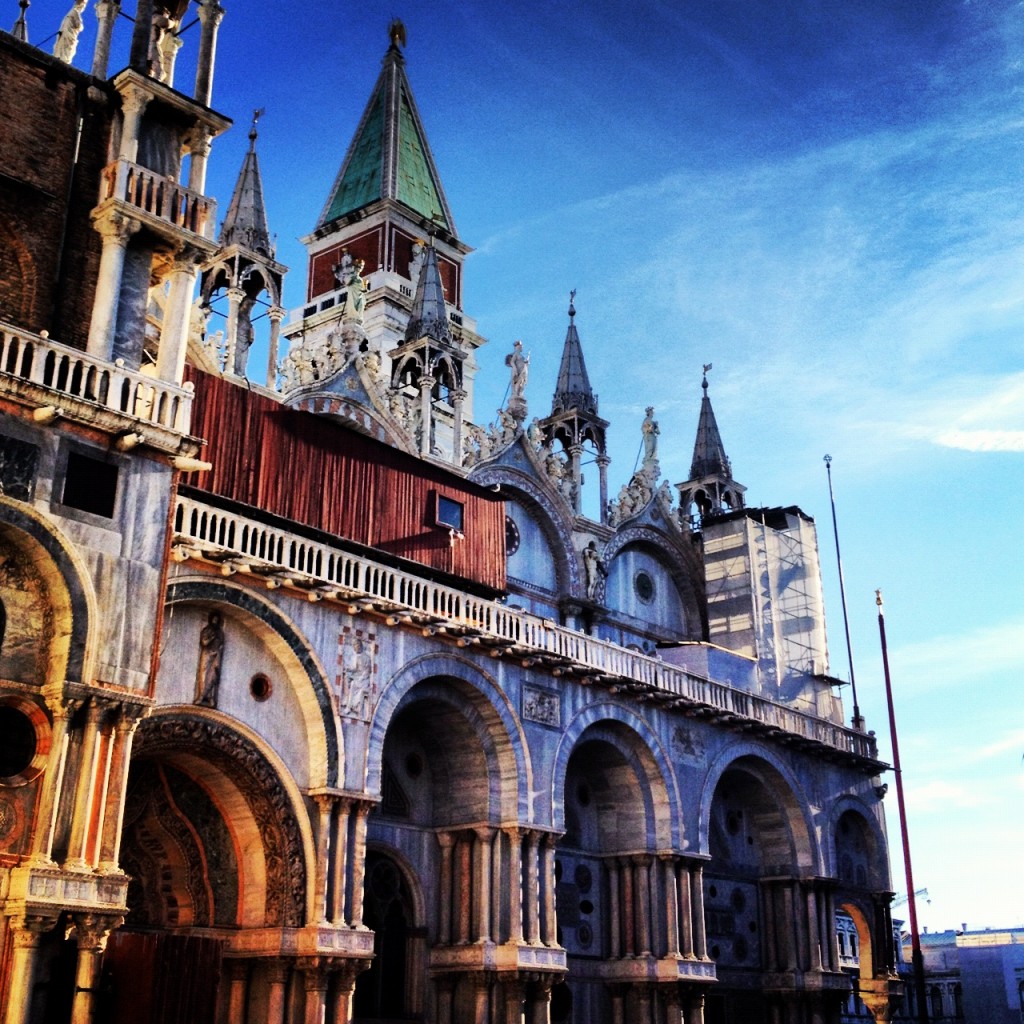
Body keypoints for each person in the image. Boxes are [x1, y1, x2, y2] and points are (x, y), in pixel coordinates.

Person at [195, 611, 225, 707]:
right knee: (204, 674)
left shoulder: (220, 633)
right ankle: (201, 696)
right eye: (214, 619)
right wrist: (211, 638)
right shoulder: (207, 630)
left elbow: (221, 644)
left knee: (213, 676)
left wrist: (218, 650)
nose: (215, 621)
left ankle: (210, 697)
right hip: (207, 654)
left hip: (216, 655)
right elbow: (204, 642)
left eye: (217, 620)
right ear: (211, 620)